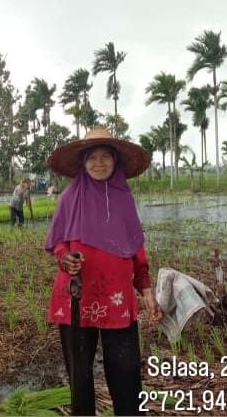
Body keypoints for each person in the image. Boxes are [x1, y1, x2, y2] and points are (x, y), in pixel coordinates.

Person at [44, 127, 163, 416]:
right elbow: (58, 243)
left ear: (116, 161)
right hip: (77, 295)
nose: (99, 163)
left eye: (106, 156)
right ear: (82, 162)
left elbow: (136, 250)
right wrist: (65, 259)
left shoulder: (124, 199)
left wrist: (147, 292)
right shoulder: (70, 197)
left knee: (126, 369)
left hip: (118, 298)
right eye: (92, 157)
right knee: (79, 374)